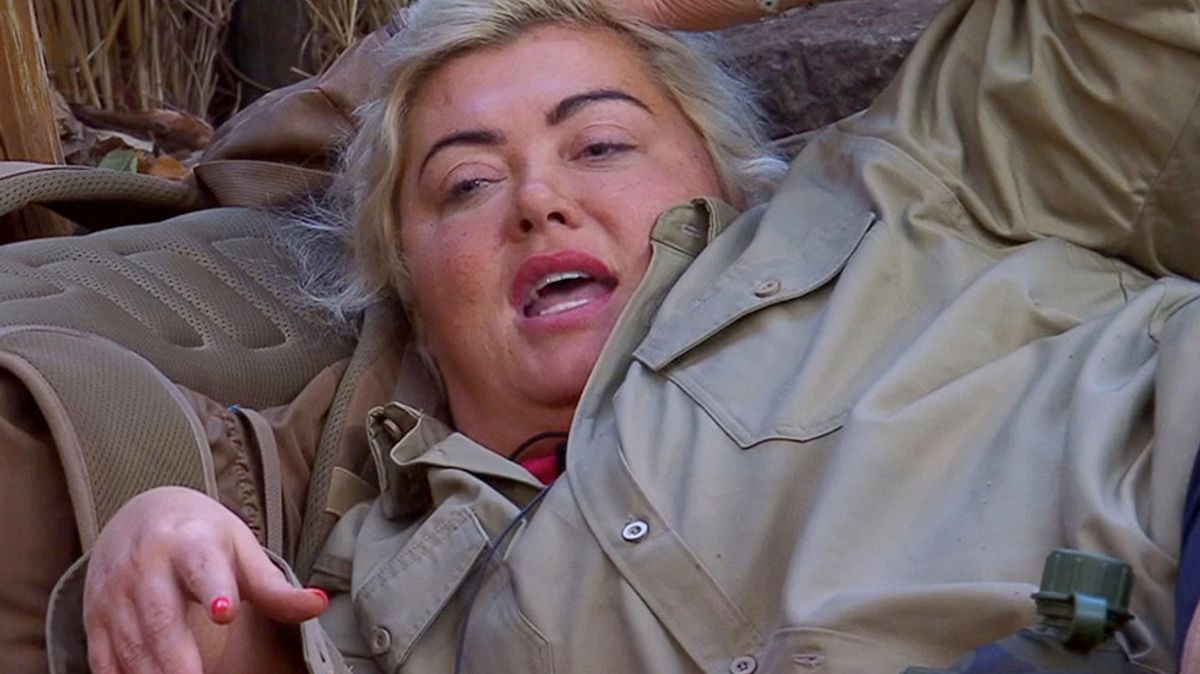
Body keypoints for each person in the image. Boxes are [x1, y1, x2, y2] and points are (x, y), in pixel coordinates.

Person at [67, 0, 1200, 672]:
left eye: (602, 145)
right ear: (406, 284)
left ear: (730, 179)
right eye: (465, 185)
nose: (538, 201)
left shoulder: (919, 188)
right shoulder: (387, 579)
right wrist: (158, 547)